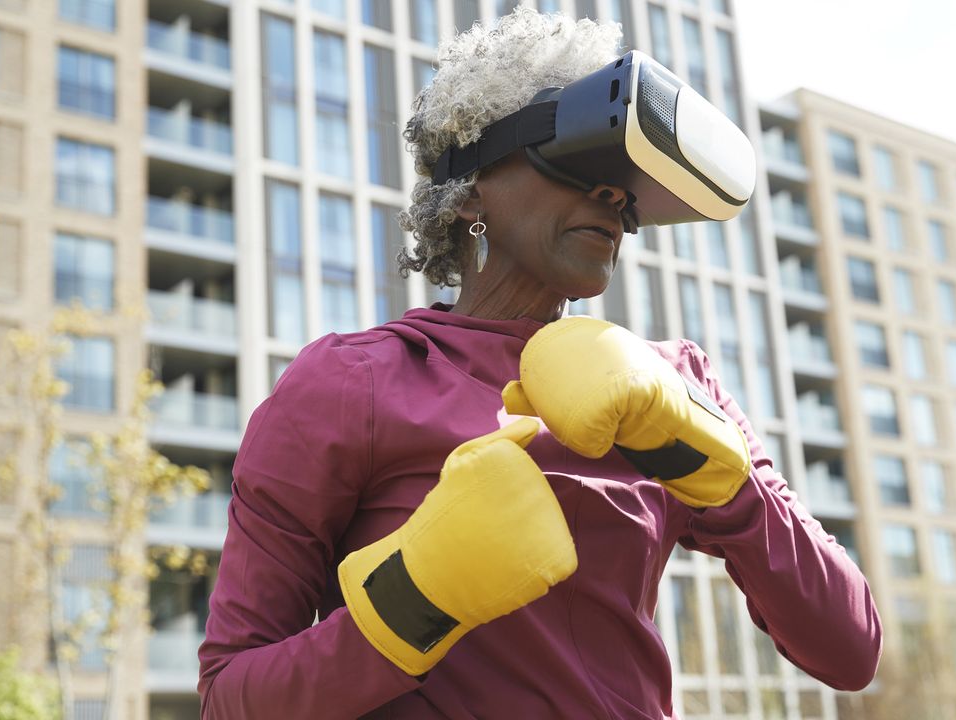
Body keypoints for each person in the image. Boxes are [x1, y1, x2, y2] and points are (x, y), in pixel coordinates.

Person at [198, 8, 880, 719]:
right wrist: (413, 602)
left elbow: (850, 648)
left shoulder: (674, 380)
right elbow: (229, 698)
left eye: (626, 182)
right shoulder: (350, 384)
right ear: (467, 193)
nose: (613, 196)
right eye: (581, 160)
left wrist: (729, 483)